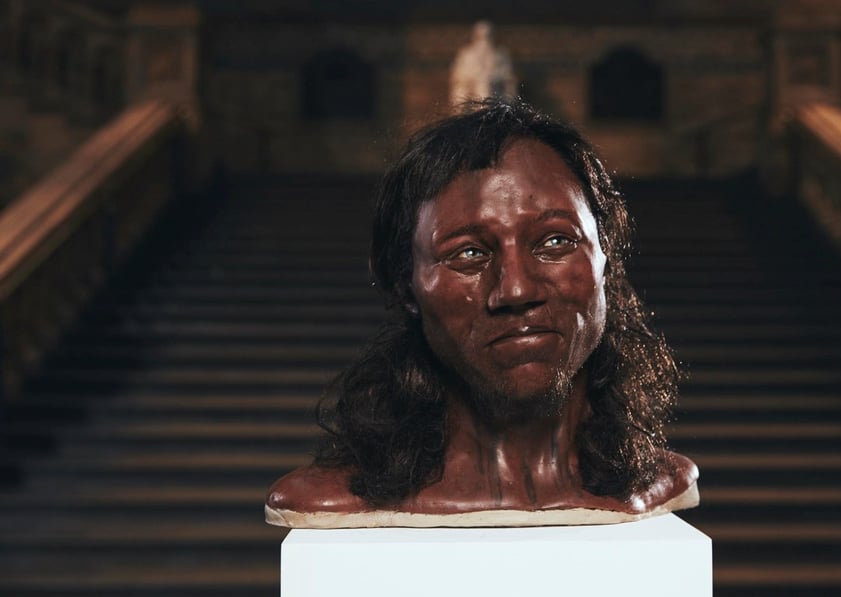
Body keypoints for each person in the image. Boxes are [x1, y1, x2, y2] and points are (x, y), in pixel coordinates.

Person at [265, 99, 698, 528]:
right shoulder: (330, 498)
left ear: (606, 257)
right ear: (406, 286)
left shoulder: (656, 479)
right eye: (469, 253)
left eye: (555, 242)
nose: (516, 289)